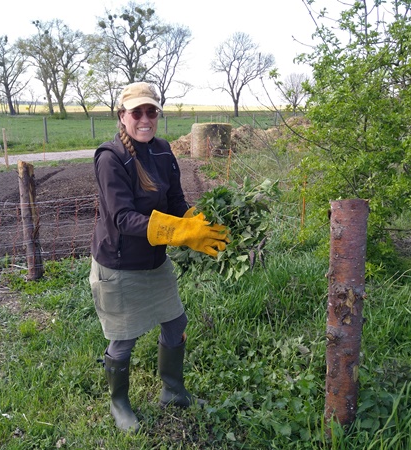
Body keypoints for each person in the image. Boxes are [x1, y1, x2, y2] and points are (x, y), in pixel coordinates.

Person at [89, 81, 229, 433]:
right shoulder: (110, 158)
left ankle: (173, 391)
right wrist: (182, 234)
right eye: (137, 112)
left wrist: (199, 221)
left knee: (176, 324)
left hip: (155, 262)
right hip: (119, 264)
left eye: (152, 111)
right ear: (123, 117)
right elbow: (123, 219)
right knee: (124, 338)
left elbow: (177, 204)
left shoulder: (164, 151)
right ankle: (119, 403)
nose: (145, 118)